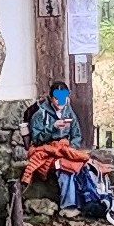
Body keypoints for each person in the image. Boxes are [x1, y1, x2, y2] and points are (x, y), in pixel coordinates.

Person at [29, 81, 84, 217]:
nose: (60, 101)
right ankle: (68, 206)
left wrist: (71, 147)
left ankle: (86, 203)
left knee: (83, 166)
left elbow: (76, 135)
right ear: (51, 98)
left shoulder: (68, 112)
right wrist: (52, 127)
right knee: (65, 169)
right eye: (56, 98)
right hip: (48, 150)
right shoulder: (40, 114)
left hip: (65, 148)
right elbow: (36, 138)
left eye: (63, 97)